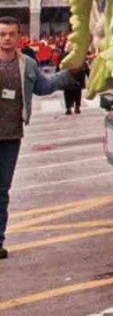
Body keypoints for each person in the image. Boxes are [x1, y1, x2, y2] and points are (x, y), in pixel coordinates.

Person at [1, 16, 77, 258]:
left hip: (11, 135)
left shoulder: (28, 64)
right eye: (2, 34)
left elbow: (43, 87)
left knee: (2, 191)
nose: (7, 39)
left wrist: (68, 73)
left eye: (11, 34)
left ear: (19, 36)